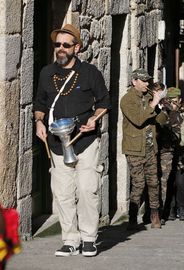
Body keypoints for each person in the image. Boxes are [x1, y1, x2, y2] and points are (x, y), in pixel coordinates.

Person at [33, 24, 111, 257]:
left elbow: (105, 102)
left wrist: (95, 119)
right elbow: (40, 105)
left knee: (87, 189)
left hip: (84, 140)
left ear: (76, 47)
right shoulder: (46, 73)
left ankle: (88, 238)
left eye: (66, 45)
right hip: (57, 143)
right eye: (57, 44)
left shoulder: (90, 73)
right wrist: (39, 123)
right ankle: (70, 239)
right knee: (63, 193)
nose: (61, 48)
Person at [120, 69, 165, 230]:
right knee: (138, 184)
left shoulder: (148, 98)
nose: (147, 84)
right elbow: (138, 120)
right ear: (134, 81)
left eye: (148, 81)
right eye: (144, 81)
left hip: (151, 148)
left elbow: (161, 120)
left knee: (154, 183)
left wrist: (159, 106)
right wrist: (152, 104)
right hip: (134, 149)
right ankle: (132, 218)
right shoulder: (127, 100)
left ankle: (155, 215)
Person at [157, 87, 184, 224]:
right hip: (166, 152)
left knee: (181, 182)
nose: (172, 104)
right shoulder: (163, 113)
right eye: (169, 101)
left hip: (181, 152)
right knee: (165, 182)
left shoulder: (182, 114)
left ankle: (182, 208)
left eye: (174, 101)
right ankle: (167, 210)